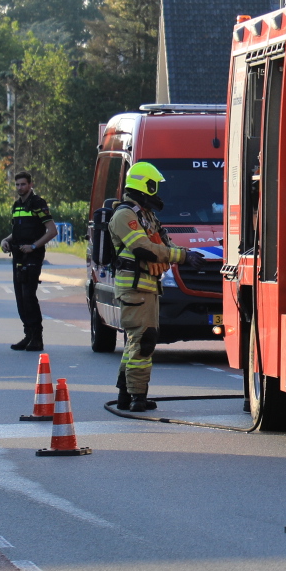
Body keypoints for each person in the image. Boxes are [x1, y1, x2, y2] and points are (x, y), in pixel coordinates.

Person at [109, 161, 189, 411]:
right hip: (134, 290)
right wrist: (183, 257)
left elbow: (165, 243)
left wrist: (189, 254)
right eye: (154, 187)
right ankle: (137, 397)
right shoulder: (125, 216)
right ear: (144, 185)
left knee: (137, 342)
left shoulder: (146, 216)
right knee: (144, 341)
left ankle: (127, 394)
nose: (158, 192)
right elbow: (144, 248)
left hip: (148, 289)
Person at [0, 171, 56, 351]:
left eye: (23, 184)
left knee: (28, 295)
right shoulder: (16, 205)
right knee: (20, 297)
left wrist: (33, 246)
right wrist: (6, 240)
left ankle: (37, 337)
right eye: (17, 185)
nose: (20, 188)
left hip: (32, 256)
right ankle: (28, 335)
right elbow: (16, 231)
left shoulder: (38, 204)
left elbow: (51, 231)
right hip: (18, 255)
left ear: (30, 184)